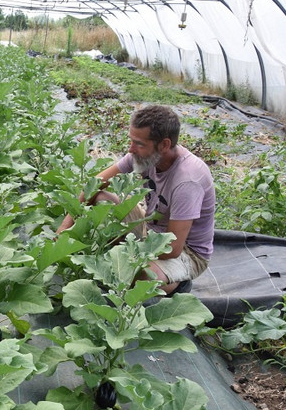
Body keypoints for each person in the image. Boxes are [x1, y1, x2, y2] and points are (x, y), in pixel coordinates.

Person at [57, 105, 215, 294]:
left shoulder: (188, 180)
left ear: (164, 145)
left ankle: (177, 283)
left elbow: (173, 247)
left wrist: (128, 256)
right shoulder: (143, 156)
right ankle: (137, 264)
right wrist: (65, 228)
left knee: (140, 277)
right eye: (131, 141)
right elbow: (96, 183)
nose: (131, 149)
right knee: (100, 197)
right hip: (150, 230)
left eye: (139, 143)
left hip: (186, 252)